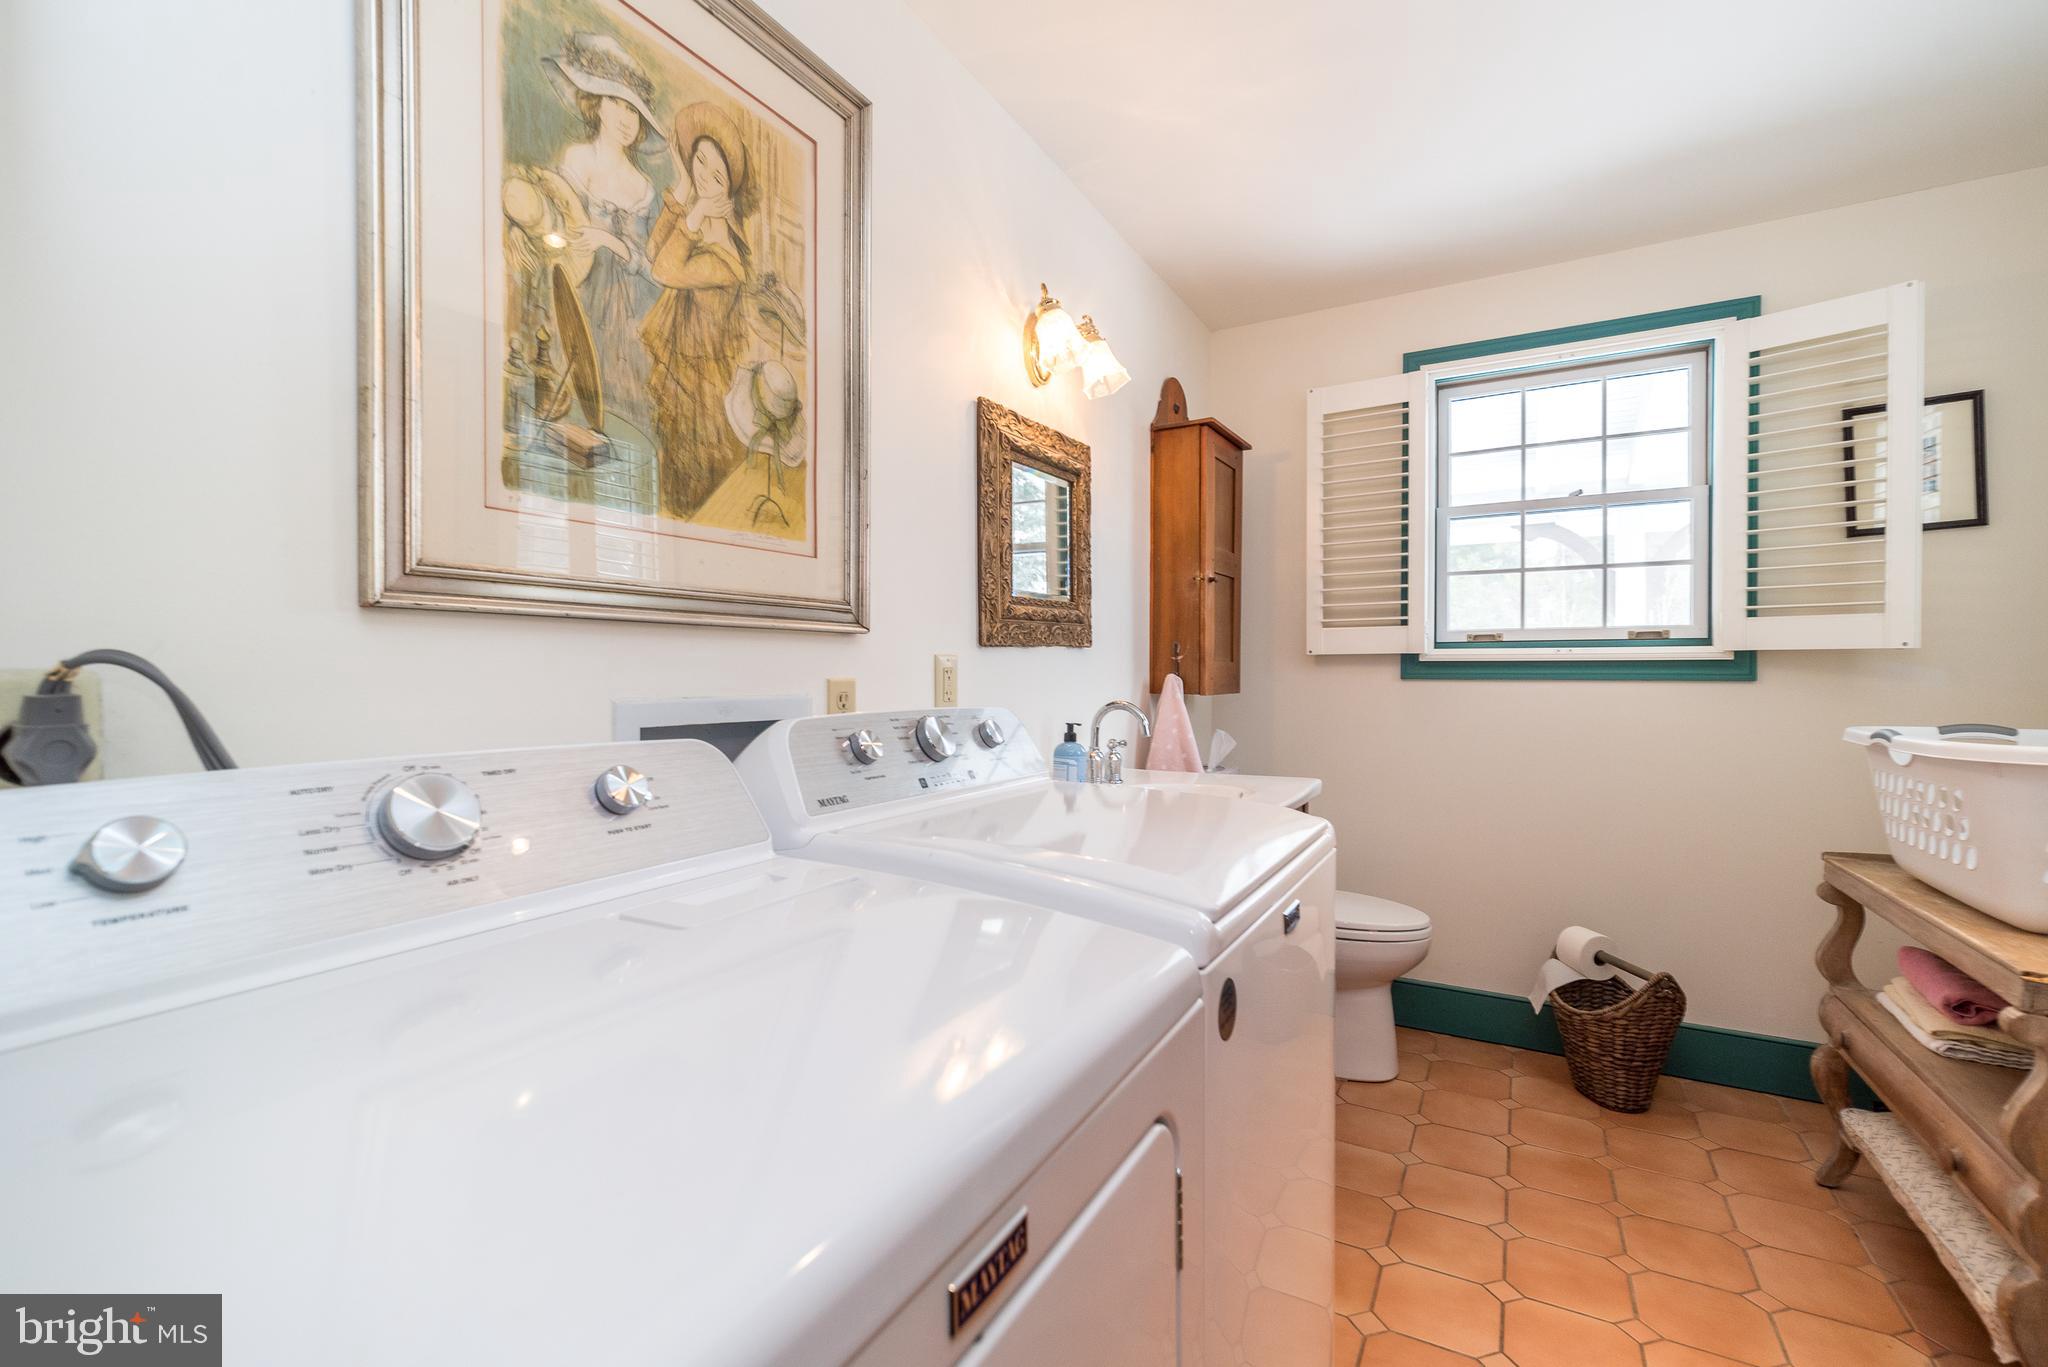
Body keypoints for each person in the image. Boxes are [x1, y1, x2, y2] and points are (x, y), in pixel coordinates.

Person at [539, 32, 664, 429]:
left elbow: (651, 268)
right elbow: (557, 236)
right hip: (578, 299)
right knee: (570, 393)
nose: (628, 119)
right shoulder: (577, 160)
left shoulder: (644, 188)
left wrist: (610, 240)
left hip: (628, 319)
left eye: (635, 110)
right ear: (596, 104)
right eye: (618, 103)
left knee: (624, 412)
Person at [641, 102, 754, 520]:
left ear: (729, 195)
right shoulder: (701, 232)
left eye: (716, 175)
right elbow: (655, 249)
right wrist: (685, 188)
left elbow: (663, 268)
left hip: (703, 391)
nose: (704, 176)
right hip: (685, 378)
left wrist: (699, 209)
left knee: (696, 484)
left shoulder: (724, 262)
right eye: (699, 162)